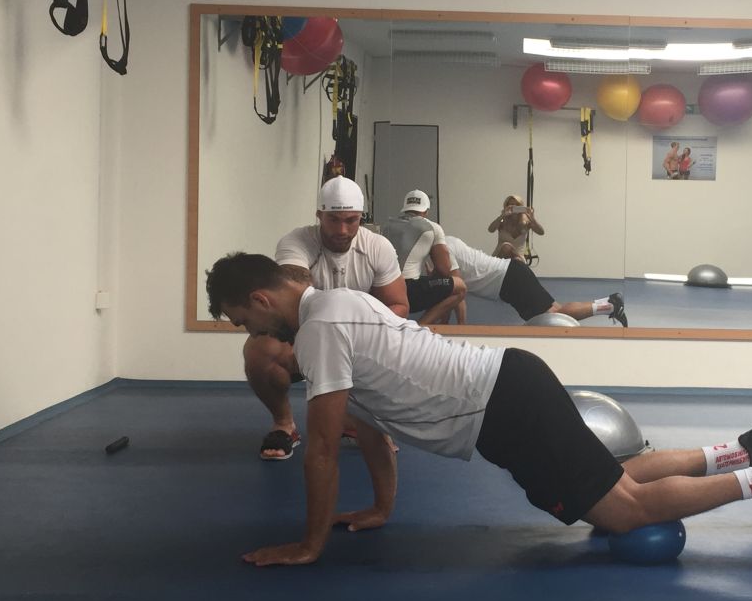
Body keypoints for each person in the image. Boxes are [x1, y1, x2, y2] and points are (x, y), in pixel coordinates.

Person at [204, 253, 752, 566]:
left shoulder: (319, 330)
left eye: (241, 321)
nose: (248, 334)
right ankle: (741, 451)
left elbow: (320, 448)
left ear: (260, 300)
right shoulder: (338, 304)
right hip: (509, 383)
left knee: (624, 511)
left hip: (501, 407)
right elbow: (369, 430)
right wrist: (382, 508)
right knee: (614, 477)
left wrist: (309, 545)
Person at [248, 176, 408, 462]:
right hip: (307, 335)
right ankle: (284, 426)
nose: (342, 230)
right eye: (333, 220)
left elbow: (398, 306)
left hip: (359, 341)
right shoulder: (295, 243)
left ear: (361, 218)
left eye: (351, 220)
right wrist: (325, 339)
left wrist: (354, 336)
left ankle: (357, 421)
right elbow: (290, 302)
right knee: (259, 350)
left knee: (395, 343)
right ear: (319, 215)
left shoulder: (378, 247)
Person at [438, 234, 627, 327]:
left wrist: (460, 331)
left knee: (552, 317)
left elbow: (458, 296)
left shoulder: (444, 251)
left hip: (510, 280)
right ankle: (607, 304)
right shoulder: (448, 241)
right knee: (555, 312)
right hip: (511, 276)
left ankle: (609, 305)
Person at [379, 189, 467, 326]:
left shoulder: (386, 226)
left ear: (405, 208)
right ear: (426, 211)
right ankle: (420, 326)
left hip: (384, 289)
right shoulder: (433, 227)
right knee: (460, 286)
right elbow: (444, 269)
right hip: (408, 291)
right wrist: (434, 276)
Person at [488, 195, 542, 261]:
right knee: (506, 247)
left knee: (516, 259)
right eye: (511, 204)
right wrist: (502, 216)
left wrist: (533, 219)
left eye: (517, 205)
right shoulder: (502, 221)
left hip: (518, 259)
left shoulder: (526, 222)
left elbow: (541, 232)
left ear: (521, 206)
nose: (514, 207)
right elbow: (490, 229)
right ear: (506, 206)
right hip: (500, 258)